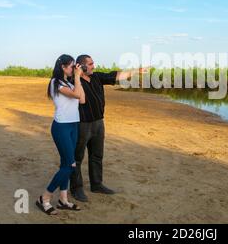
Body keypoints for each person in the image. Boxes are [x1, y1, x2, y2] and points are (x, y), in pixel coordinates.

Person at [70, 54, 148, 202]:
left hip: (99, 123)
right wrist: (77, 75)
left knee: (97, 155)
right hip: (81, 124)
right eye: (91, 64)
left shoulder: (97, 77)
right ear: (82, 66)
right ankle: (76, 188)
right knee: (77, 158)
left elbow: (116, 75)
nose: (94, 66)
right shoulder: (74, 81)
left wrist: (136, 71)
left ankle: (97, 184)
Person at [36, 54, 86, 216]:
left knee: (66, 164)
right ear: (63, 67)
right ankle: (44, 198)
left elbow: (82, 99)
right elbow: (78, 96)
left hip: (74, 125)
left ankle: (63, 200)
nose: (74, 69)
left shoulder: (69, 83)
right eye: (72, 66)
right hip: (61, 127)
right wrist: (78, 78)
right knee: (70, 166)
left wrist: (78, 78)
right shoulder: (55, 83)